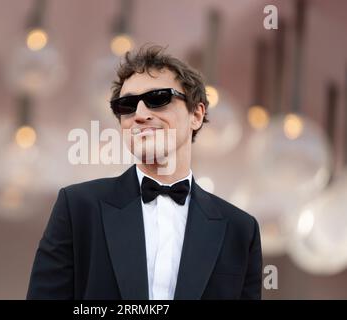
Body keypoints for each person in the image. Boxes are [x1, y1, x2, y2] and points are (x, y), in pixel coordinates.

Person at [27, 45, 263, 300]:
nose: (139, 115)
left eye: (158, 98)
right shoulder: (78, 208)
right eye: (126, 105)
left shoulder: (240, 230)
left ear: (196, 114)